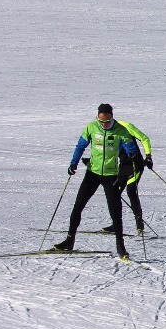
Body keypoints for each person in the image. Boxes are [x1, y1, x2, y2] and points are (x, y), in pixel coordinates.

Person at [54, 104, 140, 258]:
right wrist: (73, 163)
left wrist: (133, 154)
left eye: (107, 122)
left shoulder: (121, 130)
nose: (104, 125)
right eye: (101, 122)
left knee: (115, 212)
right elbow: (81, 146)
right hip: (92, 174)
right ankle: (69, 240)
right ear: (98, 117)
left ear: (112, 117)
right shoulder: (91, 128)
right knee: (78, 206)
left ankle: (120, 246)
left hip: (111, 176)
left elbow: (129, 146)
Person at [101, 117, 152, 235]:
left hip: (136, 165)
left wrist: (148, 156)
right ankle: (116, 224)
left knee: (131, 191)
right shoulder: (105, 132)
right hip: (123, 167)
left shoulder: (125, 125)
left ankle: (139, 225)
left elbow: (144, 138)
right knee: (114, 194)